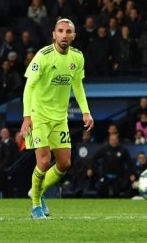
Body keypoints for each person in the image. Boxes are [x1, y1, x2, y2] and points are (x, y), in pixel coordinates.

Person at [21, 18, 94, 219]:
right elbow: (29, 87)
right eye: (60, 31)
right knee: (43, 161)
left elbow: (77, 85)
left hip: (60, 117)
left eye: (68, 31)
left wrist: (85, 112)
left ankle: (36, 190)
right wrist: (27, 116)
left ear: (73, 36)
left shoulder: (77, 57)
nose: (64, 35)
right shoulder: (43, 56)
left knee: (64, 164)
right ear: (54, 34)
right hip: (39, 115)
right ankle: (36, 205)